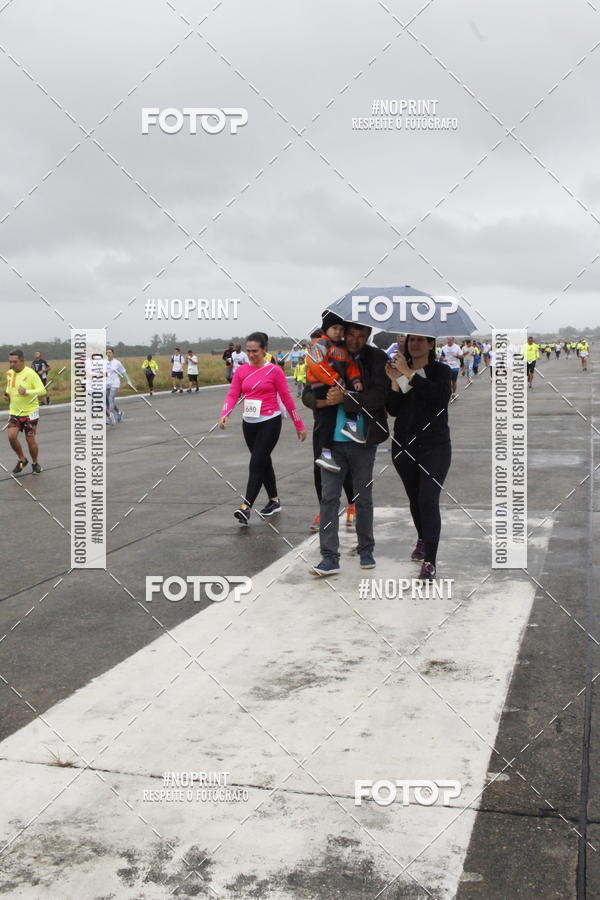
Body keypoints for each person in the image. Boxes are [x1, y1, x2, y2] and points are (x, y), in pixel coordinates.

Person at [310, 322, 389, 576]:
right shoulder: (330, 349)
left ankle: (366, 549)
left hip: (363, 440)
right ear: (343, 332)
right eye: (351, 335)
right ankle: (329, 557)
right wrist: (320, 400)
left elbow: (379, 396)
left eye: (361, 336)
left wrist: (345, 398)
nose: (354, 340)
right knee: (329, 498)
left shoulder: (376, 357)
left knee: (363, 497)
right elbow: (309, 394)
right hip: (331, 440)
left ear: (368, 336)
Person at [219, 332, 307, 524]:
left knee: (256, 462)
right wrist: (225, 413)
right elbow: (233, 394)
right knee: (263, 461)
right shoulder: (241, 371)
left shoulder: (274, 371)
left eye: (255, 351)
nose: (251, 355)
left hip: (270, 421)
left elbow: (287, 398)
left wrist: (299, 424)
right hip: (249, 423)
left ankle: (246, 506)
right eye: (249, 351)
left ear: (265, 350)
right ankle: (274, 500)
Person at [385, 334, 452, 581]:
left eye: (422, 340)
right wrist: (394, 380)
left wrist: (409, 373)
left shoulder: (440, 371)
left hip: (435, 445)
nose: (415, 344)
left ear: (431, 345)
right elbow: (393, 409)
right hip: (404, 445)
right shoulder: (401, 370)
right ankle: (422, 537)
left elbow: (440, 397)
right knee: (414, 499)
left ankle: (430, 561)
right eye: (412, 340)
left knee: (428, 499)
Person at [306, 311, 365, 472]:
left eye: (341, 329)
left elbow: (351, 366)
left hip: (336, 383)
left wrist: (356, 380)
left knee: (353, 392)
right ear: (326, 329)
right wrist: (335, 380)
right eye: (334, 328)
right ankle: (325, 453)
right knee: (327, 418)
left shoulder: (342, 348)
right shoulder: (320, 345)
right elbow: (316, 366)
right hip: (321, 385)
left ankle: (350, 424)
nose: (338, 332)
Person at [4, 349, 46, 475]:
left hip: (30, 412)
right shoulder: (9, 373)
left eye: (14, 362)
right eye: (10, 362)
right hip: (15, 412)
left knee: (30, 439)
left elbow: (43, 391)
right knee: (11, 437)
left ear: (22, 361)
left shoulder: (31, 374)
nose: (12, 364)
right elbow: (9, 387)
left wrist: (27, 392)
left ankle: (35, 463)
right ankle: (22, 459)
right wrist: (7, 395)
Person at [106, 348, 132, 424]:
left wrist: (128, 381)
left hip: (115, 383)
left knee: (111, 398)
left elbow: (123, 372)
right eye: (107, 352)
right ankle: (119, 412)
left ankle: (110, 417)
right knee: (110, 401)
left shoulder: (117, 363)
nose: (108, 354)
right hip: (107, 383)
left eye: (110, 352)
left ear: (113, 354)